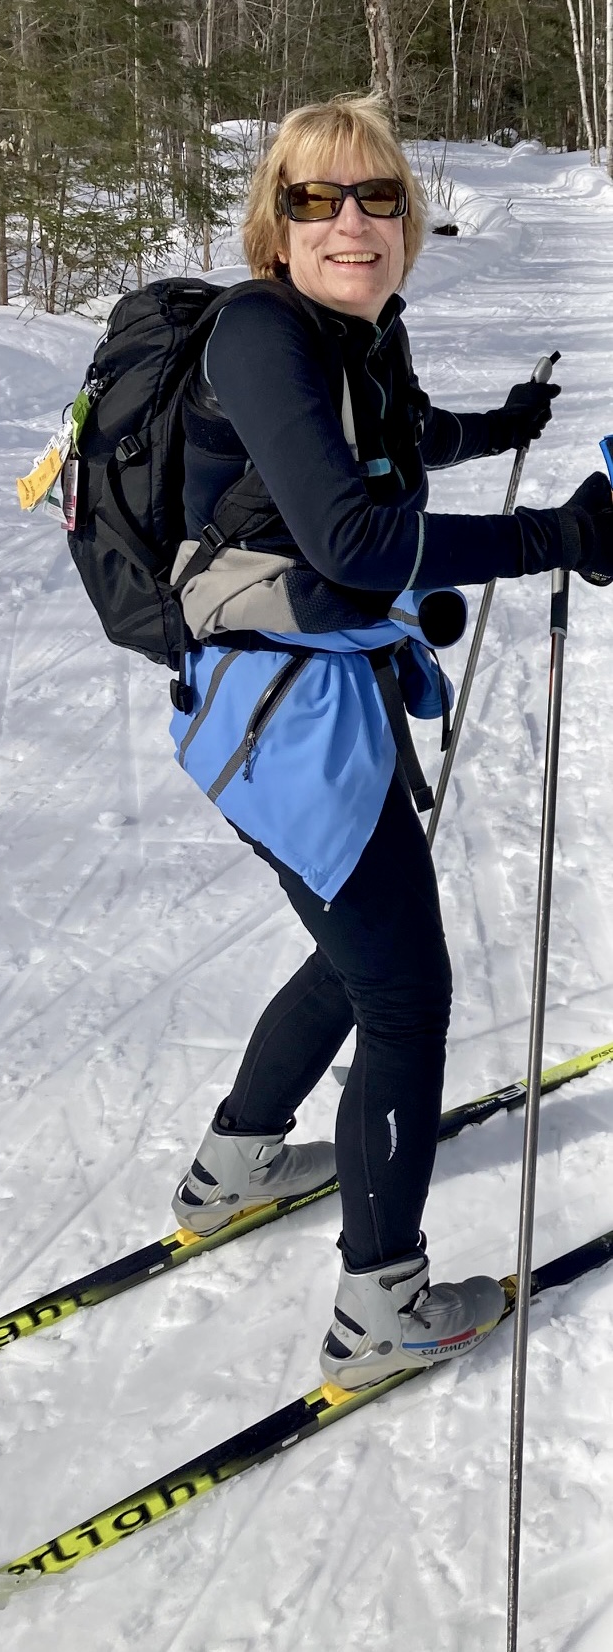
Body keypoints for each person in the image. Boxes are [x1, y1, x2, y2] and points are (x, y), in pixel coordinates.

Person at [167, 95, 613, 1392]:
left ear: (409, 224)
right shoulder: (259, 332)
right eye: (317, 199)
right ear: (276, 224)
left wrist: (507, 435)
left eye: (377, 198)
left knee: (349, 955)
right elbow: (355, 543)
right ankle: (383, 1311)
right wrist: (559, 538)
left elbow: (395, 454)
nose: (350, 220)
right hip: (277, 727)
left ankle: (235, 1167)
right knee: (405, 995)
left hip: (302, 708)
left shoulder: (356, 337)